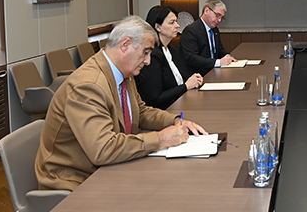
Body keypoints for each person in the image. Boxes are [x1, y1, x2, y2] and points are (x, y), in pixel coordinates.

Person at [35, 16, 207, 191]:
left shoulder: (123, 72)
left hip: (108, 167)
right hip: (74, 180)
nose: (148, 61)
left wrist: (175, 121)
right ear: (125, 45)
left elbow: (140, 111)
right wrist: (160, 139)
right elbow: (102, 149)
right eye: (145, 52)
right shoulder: (87, 86)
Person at [134, 6, 204, 109]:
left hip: (181, 102)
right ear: (158, 27)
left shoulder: (170, 48)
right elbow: (155, 99)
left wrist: (194, 79)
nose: (177, 26)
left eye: (176, 21)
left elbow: (179, 79)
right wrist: (186, 86)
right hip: (165, 110)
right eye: (172, 23)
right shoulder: (152, 55)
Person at [178, 0, 237, 77]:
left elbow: (219, 50)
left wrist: (228, 56)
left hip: (213, 72)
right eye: (217, 15)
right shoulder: (191, 30)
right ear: (206, 11)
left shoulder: (214, 29)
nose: (219, 20)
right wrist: (218, 62)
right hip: (197, 75)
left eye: (221, 18)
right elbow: (192, 58)